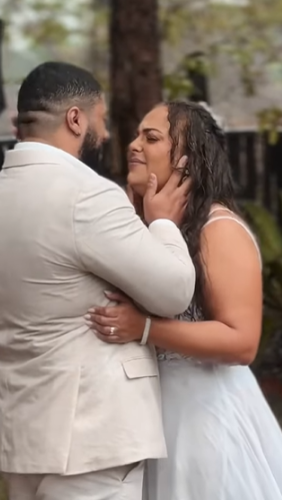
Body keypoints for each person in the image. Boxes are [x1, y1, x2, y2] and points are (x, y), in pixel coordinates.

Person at [0, 62, 196, 500]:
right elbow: (174, 292)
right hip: (93, 436)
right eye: (101, 121)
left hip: (18, 432)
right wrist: (162, 224)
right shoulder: (88, 194)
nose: (106, 136)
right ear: (75, 118)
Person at [83, 101, 282, 500]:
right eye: (137, 135)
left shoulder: (218, 229)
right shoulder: (139, 226)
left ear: (187, 159)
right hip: (146, 422)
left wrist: (146, 329)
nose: (134, 145)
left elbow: (241, 341)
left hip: (205, 424)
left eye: (151, 137)